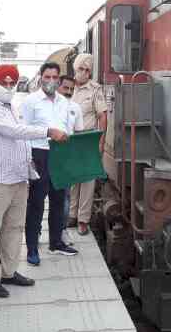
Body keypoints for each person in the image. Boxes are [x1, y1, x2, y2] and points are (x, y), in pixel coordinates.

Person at [0, 64, 68, 297]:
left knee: (14, 227)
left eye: (11, 83)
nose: (8, 87)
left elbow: (20, 136)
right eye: (4, 83)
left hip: (19, 178)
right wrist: (48, 131)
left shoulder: (12, 107)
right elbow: (16, 131)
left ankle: (9, 271)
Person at [20, 62, 78, 266]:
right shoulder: (30, 101)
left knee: (58, 200)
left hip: (60, 154)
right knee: (36, 204)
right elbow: (23, 131)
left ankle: (56, 243)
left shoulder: (65, 102)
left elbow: (68, 127)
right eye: (47, 77)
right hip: (39, 154)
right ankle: (32, 248)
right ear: (40, 77)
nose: (51, 81)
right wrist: (27, 161)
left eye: (55, 77)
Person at [68, 54, 108, 236]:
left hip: (88, 138)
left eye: (87, 70)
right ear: (74, 69)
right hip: (68, 139)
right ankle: (72, 215)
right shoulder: (67, 87)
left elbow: (102, 116)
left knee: (88, 181)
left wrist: (101, 142)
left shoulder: (95, 89)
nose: (84, 73)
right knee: (73, 179)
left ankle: (83, 220)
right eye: (80, 69)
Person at [56, 75, 84, 246]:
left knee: (65, 198)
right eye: (65, 88)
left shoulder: (76, 108)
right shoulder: (48, 105)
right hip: (47, 155)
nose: (68, 92)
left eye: (71, 89)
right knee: (38, 198)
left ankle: (62, 231)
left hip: (66, 158)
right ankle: (35, 232)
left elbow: (79, 134)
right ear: (57, 87)